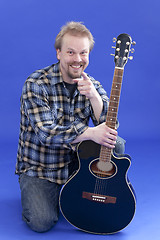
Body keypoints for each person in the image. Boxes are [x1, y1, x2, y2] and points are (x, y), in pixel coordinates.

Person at [16, 21, 125, 233]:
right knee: (41, 222)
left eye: (83, 53)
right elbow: (46, 134)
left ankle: (79, 191)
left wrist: (94, 96)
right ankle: (38, 193)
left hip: (76, 166)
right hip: (41, 168)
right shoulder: (36, 84)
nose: (77, 59)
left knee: (116, 144)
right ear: (59, 53)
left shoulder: (92, 84)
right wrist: (90, 133)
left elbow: (110, 125)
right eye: (70, 52)